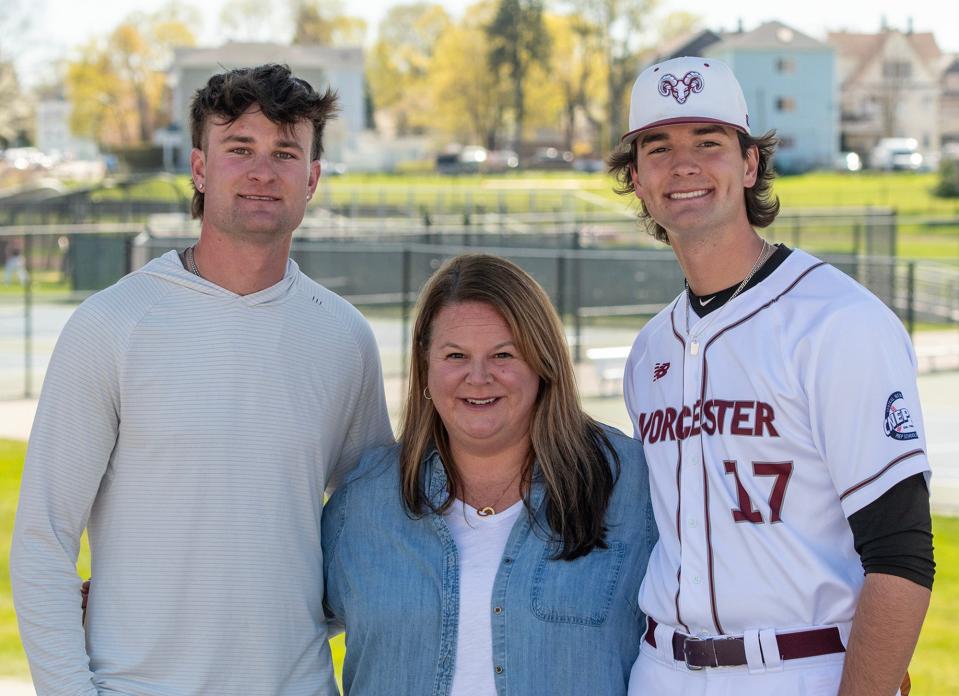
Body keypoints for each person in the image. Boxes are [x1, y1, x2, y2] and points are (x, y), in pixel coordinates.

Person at [10, 64, 392, 695]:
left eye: (285, 153)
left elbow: (372, 528)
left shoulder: (343, 337)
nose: (262, 171)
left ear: (313, 178)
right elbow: (43, 541)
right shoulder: (112, 325)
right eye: (239, 149)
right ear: (199, 168)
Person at [608, 56, 934, 695]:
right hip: (661, 672)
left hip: (803, 669)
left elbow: (900, 556)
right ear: (638, 180)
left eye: (710, 142)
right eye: (658, 148)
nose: (684, 166)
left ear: (750, 163)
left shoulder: (839, 323)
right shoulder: (650, 353)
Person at [322, 254, 657, 695]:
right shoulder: (364, 503)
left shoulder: (629, 484)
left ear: (543, 362)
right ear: (425, 366)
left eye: (503, 354)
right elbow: (283, 635)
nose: (478, 377)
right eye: (455, 355)